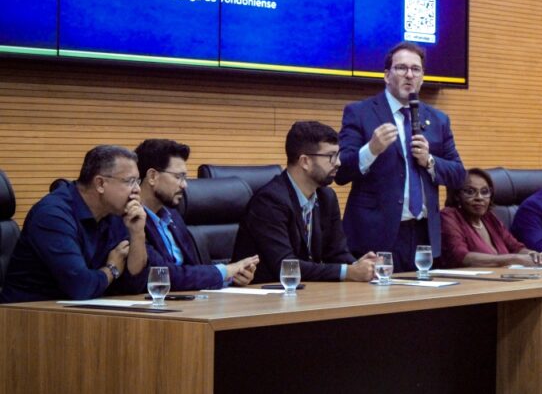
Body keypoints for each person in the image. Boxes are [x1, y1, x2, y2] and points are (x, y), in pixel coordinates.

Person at [336, 42, 466, 272]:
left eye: (416, 70)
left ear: (423, 77)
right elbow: (341, 172)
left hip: (424, 235)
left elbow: (458, 175)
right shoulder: (360, 112)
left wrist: (430, 161)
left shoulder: (438, 119)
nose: (409, 75)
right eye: (401, 68)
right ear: (387, 75)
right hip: (376, 237)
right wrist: (371, 150)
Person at [0, 145, 147, 303]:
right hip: (28, 315)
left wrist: (137, 233)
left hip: (79, 314)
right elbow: (80, 286)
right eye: (130, 181)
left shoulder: (115, 212)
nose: (137, 189)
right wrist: (112, 269)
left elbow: (136, 284)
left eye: (137, 181)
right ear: (100, 184)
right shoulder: (52, 215)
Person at [232, 121, 375, 283]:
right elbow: (286, 266)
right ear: (305, 161)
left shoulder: (326, 197)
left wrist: (359, 266)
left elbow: (337, 253)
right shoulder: (269, 202)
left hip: (306, 293)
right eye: (330, 156)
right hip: (263, 297)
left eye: (338, 154)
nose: (338, 163)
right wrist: (348, 271)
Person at [135, 139, 259, 291]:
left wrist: (233, 277)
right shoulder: (131, 220)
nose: (184, 185)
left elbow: (193, 270)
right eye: (178, 177)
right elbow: (162, 275)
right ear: (152, 176)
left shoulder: (173, 216)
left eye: (185, 178)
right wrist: (226, 271)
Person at [440, 168, 542, 268]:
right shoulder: (449, 216)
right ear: (457, 195)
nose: (479, 197)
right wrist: (514, 259)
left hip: (503, 280)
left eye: (485, 192)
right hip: (471, 286)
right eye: (470, 192)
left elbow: (516, 247)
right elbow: (461, 257)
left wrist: (532, 255)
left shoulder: (489, 218)